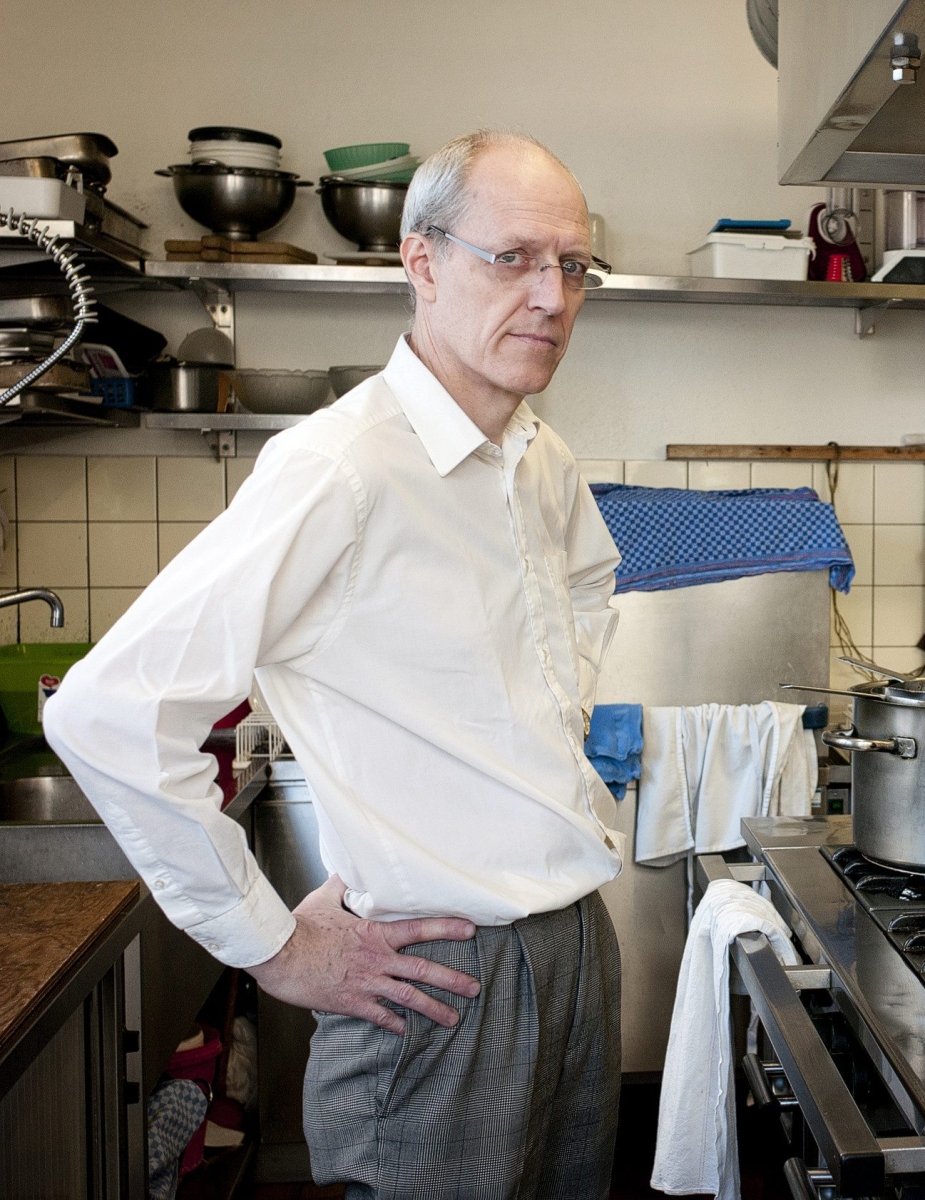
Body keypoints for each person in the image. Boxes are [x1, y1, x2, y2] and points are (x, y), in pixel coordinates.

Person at [45, 129, 626, 1198]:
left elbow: (590, 583)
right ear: (421, 262)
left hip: (574, 950)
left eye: (573, 264)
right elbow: (108, 712)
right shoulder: (338, 467)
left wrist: (529, 728)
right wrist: (267, 944)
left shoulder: (540, 457)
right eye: (514, 258)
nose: (551, 295)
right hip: (438, 979)